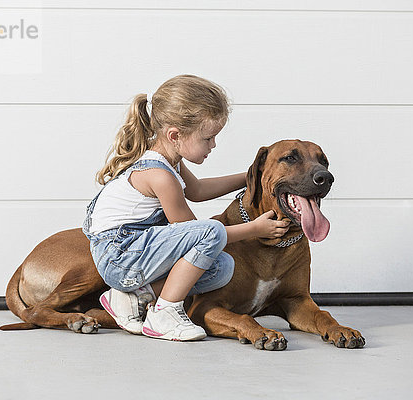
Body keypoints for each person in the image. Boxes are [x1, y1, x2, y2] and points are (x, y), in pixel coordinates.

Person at [82, 74, 290, 341]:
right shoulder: (160, 176)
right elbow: (199, 233)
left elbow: (199, 191)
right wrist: (255, 228)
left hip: (135, 252)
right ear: (175, 135)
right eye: (208, 138)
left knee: (222, 268)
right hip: (120, 256)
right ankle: (164, 313)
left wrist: (251, 176)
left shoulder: (171, 161)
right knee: (211, 233)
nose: (213, 145)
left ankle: (133, 299)